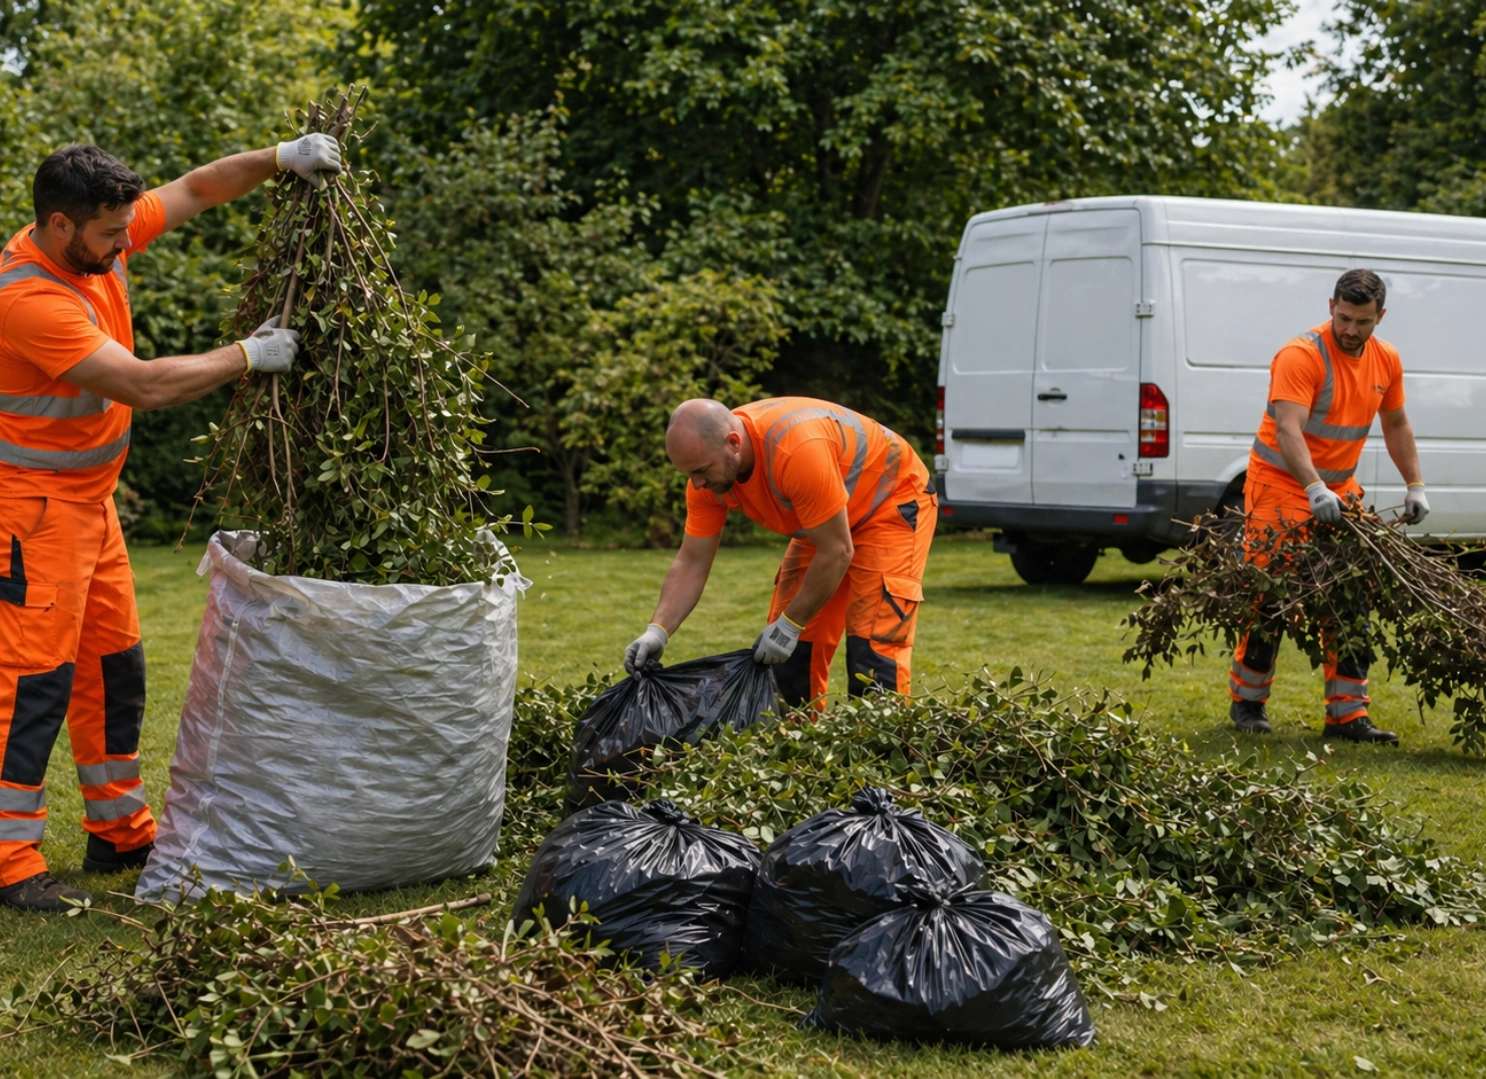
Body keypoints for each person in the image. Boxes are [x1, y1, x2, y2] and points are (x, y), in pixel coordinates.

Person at [0, 136, 341, 912]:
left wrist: (282, 155)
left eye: (126, 229)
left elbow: (195, 188)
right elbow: (143, 385)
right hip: (31, 514)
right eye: (111, 235)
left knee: (114, 671)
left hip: (92, 505)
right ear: (60, 226)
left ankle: (118, 828)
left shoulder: (99, 238)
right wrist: (249, 356)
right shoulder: (28, 296)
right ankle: (8, 859)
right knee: (30, 687)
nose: (127, 242)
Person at [626, 397, 937, 709]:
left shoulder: (794, 450)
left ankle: (884, 747)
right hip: (823, 522)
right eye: (689, 474)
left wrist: (791, 624)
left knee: (872, 647)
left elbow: (837, 550)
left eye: (702, 470)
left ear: (733, 443)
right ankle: (801, 745)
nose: (697, 483)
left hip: (890, 505)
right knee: (788, 650)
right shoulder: (709, 478)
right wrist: (657, 631)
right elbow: (692, 561)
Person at [1229, 269, 1427, 745]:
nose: (1350, 330)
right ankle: (1249, 702)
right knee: (1271, 595)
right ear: (1330, 305)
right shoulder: (1301, 355)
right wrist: (1315, 487)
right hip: (1279, 486)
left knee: (1350, 598)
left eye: (1362, 321)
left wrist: (1415, 484)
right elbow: (1288, 430)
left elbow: (1396, 424)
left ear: (1381, 316)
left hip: (1340, 488)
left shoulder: (1386, 360)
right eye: (1343, 318)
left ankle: (1347, 716)